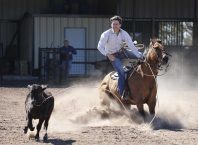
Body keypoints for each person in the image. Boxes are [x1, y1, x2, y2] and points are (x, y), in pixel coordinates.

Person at [97, 15, 144, 100]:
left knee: (143, 56)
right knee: (121, 72)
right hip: (113, 57)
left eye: (116, 24)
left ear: (120, 25)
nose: (114, 26)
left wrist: (139, 55)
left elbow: (131, 45)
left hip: (122, 52)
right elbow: (99, 47)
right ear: (111, 24)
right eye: (113, 24)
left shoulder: (124, 33)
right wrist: (108, 54)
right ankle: (121, 93)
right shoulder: (106, 34)